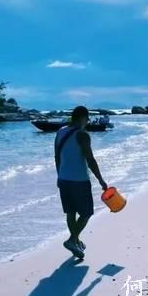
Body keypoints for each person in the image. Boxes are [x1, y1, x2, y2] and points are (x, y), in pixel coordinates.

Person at [55, 105, 108, 259]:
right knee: (86, 213)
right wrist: (101, 180)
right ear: (83, 118)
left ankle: (76, 242)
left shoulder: (60, 132)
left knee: (71, 213)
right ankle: (72, 240)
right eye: (87, 118)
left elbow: (57, 157)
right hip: (79, 181)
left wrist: (59, 175)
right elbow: (90, 160)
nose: (88, 121)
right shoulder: (82, 135)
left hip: (63, 179)